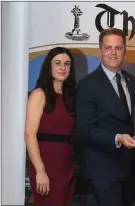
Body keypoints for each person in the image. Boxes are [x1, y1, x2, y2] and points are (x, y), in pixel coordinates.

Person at [75, 28, 135, 206]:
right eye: (108, 48)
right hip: (102, 171)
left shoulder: (132, 82)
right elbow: (85, 129)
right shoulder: (87, 85)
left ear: (125, 52)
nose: (113, 53)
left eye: (118, 48)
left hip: (129, 169)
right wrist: (117, 138)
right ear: (100, 52)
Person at [24, 47, 77, 205]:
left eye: (67, 64)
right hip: (46, 165)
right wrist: (40, 171)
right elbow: (29, 134)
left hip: (66, 164)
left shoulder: (70, 97)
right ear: (49, 66)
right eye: (58, 63)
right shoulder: (39, 94)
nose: (63, 67)